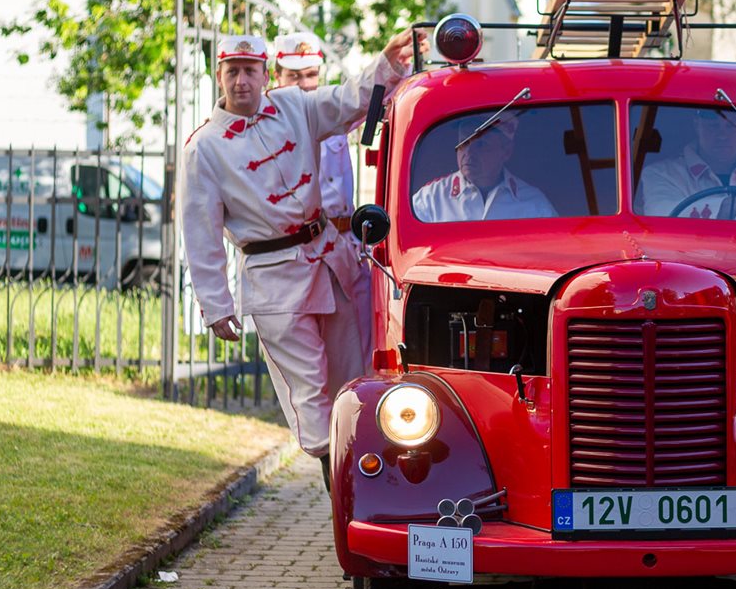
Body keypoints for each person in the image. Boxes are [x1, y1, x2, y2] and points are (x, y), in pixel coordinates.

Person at [179, 29, 426, 490]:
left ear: (265, 75)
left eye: (249, 71)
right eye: (232, 71)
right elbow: (200, 232)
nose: (241, 82)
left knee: (354, 379)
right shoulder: (204, 148)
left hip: (330, 262)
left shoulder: (295, 106)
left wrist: (388, 63)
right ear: (219, 75)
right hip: (273, 281)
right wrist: (215, 304)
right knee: (311, 391)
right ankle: (342, 492)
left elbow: (349, 99)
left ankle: (369, 485)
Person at [273, 31, 371, 365]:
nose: (304, 84)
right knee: (310, 366)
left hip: (346, 247)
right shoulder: (269, 126)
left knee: (356, 357)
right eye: (294, 76)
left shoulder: (329, 110)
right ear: (276, 76)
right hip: (302, 253)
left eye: (310, 75)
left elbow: (368, 100)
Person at [411, 115, 556, 221]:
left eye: (480, 144)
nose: (468, 152)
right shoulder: (430, 199)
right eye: (463, 143)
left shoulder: (534, 205)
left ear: (506, 151)